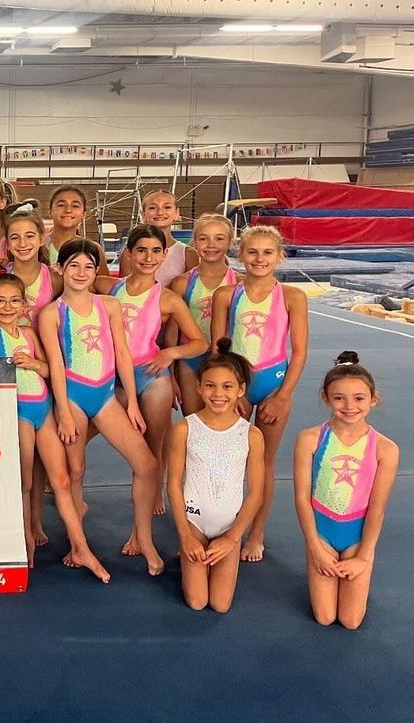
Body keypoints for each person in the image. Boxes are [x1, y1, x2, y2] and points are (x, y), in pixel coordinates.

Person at [0, 274, 108, 582]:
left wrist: (33, 364)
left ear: (24, 304)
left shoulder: (30, 334)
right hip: (15, 412)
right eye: (0, 301)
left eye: (14, 300)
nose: (7, 306)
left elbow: (48, 369)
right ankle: (24, 540)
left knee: (59, 479)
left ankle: (81, 547)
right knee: (26, 482)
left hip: (42, 409)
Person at [39, 239, 164, 576]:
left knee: (148, 465)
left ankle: (145, 539)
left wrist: (134, 404)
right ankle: (78, 542)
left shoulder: (108, 305)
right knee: (75, 470)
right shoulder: (51, 313)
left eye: (89, 267)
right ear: (60, 269)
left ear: (98, 271)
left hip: (106, 394)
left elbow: (122, 353)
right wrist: (63, 411)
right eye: (74, 266)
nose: (81, 273)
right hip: (74, 396)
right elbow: (56, 364)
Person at [94, 224, 208, 519]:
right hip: (111, 375)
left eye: (155, 251)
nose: (148, 257)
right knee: (80, 436)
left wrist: (170, 353)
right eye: (141, 250)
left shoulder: (168, 299)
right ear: (128, 253)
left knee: (153, 444)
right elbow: (71, 276)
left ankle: (152, 493)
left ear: (164, 254)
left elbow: (199, 342)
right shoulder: (108, 287)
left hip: (150, 374)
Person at [211, 225, 309, 562]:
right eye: (252, 252)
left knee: (263, 463)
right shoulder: (226, 295)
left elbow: (299, 352)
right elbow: (218, 350)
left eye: (268, 252)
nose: (259, 259)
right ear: (240, 254)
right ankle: (225, 525)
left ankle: (257, 533)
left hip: (274, 382)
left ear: (280, 256)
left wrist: (283, 395)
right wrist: (229, 390)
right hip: (236, 385)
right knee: (229, 459)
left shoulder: (292, 297)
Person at [294, 352, 399, 629]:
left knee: (351, 621)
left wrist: (364, 555)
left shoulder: (385, 449)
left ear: (373, 399)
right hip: (321, 533)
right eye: (339, 397)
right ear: (325, 398)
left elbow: (377, 508)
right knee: (325, 617)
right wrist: (315, 547)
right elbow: (303, 499)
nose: (349, 406)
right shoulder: (309, 439)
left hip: (357, 537)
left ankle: (357, 574)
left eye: (359, 398)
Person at [167, 339, 265, 612]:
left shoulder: (251, 435)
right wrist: (185, 533)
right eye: (209, 385)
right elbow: (174, 483)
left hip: (228, 527)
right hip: (194, 524)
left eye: (227, 386)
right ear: (199, 388)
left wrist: (233, 537)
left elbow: (256, 492)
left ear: (240, 390)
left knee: (220, 605)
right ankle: (189, 552)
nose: (217, 393)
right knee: (197, 602)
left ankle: (220, 552)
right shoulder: (185, 428)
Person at [170, 214, 240, 415]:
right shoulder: (182, 283)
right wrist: (171, 376)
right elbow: (172, 335)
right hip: (191, 359)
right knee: (194, 422)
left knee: (226, 424)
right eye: (203, 238)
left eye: (219, 238)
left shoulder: (239, 283)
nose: (211, 245)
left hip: (228, 361)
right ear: (194, 242)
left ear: (230, 242)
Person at [118, 189, 200, 285]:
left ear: (176, 213)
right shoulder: (130, 253)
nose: (160, 212)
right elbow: (123, 291)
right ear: (143, 215)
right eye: (153, 208)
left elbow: (191, 292)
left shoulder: (188, 254)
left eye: (167, 207)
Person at [4, 200, 61, 326]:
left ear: (41, 239)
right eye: (14, 237)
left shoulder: (54, 279)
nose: (22, 243)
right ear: (7, 244)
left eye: (29, 236)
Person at [45, 185, 109, 275]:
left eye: (75, 206)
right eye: (61, 205)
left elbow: (102, 285)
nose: (68, 210)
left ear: (84, 214)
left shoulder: (94, 249)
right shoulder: (38, 246)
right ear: (50, 211)